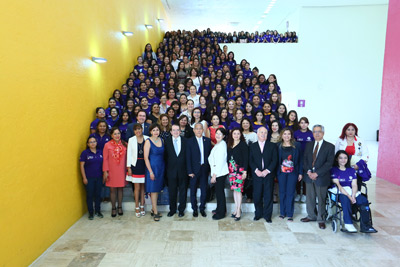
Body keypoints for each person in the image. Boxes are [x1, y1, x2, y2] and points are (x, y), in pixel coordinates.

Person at [330, 150, 377, 233]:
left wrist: (353, 195)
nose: (343, 160)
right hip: (339, 191)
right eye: (340, 158)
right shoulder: (334, 170)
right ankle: (348, 223)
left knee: (363, 200)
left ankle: (366, 225)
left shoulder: (351, 170)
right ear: (337, 159)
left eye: (345, 158)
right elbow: (339, 186)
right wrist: (349, 196)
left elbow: (354, 185)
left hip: (351, 191)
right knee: (345, 199)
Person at [301, 124, 335, 229]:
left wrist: (317, 173)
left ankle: (321, 219)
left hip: (321, 177)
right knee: (310, 198)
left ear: (323, 133)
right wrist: (309, 172)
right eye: (315, 132)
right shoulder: (309, 145)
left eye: (319, 131)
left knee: (321, 198)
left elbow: (329, 163)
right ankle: (311, 215)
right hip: (309, 176)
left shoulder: (330, 146)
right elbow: (305, 159)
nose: (317, 134)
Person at [249, 127, 278, 223]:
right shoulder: (252, 146)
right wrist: (256, 170)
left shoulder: (272, 145)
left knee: (268, 196)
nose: (263, 134)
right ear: (257, 133)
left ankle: (267, 215)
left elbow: (275, 160)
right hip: (256, 175)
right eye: (261, 132)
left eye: (265, 133)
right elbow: (251, 160)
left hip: (268, 175)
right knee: (257, 196)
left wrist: (267, 170)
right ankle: (258, 214)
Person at [276, 128, 303, 222]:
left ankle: (290, 214)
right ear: (281, 135)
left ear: (291, 135)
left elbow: (300, 160)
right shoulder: (278, 145)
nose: (286, 136)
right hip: (281, 173)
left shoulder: (297, 145)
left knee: (290, 193)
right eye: (284, 134)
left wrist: (300, 172)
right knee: (282, 193)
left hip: (293, 173)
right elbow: (276, 160)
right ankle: (282, 213)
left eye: (288, 134)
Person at [186, 123, 212, 217]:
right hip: (193, 170)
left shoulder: (207, 141)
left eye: (200, 128)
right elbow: (188, 157)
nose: (198, 130)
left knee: (204, 190)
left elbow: (209, 156)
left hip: (204, 169)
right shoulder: (189, 141)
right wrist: (189, 171)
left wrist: (209, 169)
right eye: (197, 129)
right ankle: (194, 209)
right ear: (194, 130)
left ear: (203, 130)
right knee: (193, 190)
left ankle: (202, 208)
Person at [334, 123, 369, 189]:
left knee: (356, 185)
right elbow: (336, 153)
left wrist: (358, 165)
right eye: (348, 129)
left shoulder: (360, 140)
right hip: (343, 166)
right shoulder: (340, 140)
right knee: (344, 185)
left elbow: (365, 154)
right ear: (345, 131)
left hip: (356, 166)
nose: (350, 132)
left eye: (353, 130)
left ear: (355, 131)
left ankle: (356, 196)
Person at [103, 127, 127, 217]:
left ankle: (120, 206)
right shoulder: (107, 145)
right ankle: (113, 207)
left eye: (118, 133)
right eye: (115, 134)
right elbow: (105, 159)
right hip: (111, 170)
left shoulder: (125, 144)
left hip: (121, 170)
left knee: (120, 189)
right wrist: (105, 171)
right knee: (112, 190)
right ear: (111, 135)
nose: (117, 135)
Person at [165, 125, 188, 217]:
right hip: (171, 171)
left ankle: (181, 210)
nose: (175, 132)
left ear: (180, 131)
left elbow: (188, 156)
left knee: (183, 191)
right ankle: (172, 210)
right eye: (173, 130)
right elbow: (165, 157)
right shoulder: (166, 142)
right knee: (172, 191)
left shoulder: (185, 141)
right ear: (170, 132)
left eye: (177, 130)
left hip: (183, 170)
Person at [144, 123, 165, 222]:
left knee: (157, 189)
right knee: (153, 190)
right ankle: (155, 211)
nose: (156, 132)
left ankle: (153, 208)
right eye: (154, 130)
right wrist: (150, 172)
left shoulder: (162, 140)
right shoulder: (148, 141)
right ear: (150, 131)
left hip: (161, 168)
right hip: (152, 169)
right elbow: (146, 158)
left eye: (157, 130)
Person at [127, 124, 148, 218]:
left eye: (139, 129)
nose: (137, 131)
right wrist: (128, 167)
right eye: (135, 130)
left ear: (142, 129)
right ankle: (136, 206)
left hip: (145, 165)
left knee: (143, 187)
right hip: (135, 165)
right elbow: (129, 154)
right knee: (137, 188)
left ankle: (142, 206)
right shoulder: (131, 139)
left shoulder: (147, 138)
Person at [79, 136, 104, 220]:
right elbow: (82, 166)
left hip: (99, 177)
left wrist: (104, 175)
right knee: (90, 195)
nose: (93, 143)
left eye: (94, 141)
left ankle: (98, 211)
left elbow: (103, 165)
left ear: (96, 143)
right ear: (88, 144)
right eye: (91, 142)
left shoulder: (100, 152)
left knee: (98, 195)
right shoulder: (85, 153)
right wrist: (84, 178)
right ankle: (91, 212)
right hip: (89, 178)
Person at [227, 128, 248, 221]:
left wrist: (245, 171)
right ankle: (236, 209)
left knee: (238, 190)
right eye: (234, 133)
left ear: (240, 135)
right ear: (232, 135)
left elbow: (246, 159)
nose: (236, 135)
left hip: (240, 171)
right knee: (235, 191)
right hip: (231, 171)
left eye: (238, 133)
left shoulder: (243, 145)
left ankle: (239, 211)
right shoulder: (230, 145)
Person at [208, 128, 229, 220]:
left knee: (220, 193)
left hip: (219, 173)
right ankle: (220, 208)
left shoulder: (222, 145)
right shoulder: (219, 144)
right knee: (218, 192)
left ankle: (221, 213)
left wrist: (214, 175)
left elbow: (220, 162)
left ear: (224, 136)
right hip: (218, 172)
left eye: (220, 134)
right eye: (217, 133)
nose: (218, 135)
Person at [294, 117, 314, 203]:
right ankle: (298, 194)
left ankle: (305, 194)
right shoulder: (295, 133)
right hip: (298, 156)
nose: (303, 124)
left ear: (308, 124)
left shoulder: (311, 134)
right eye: (301, 123)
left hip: (308, 157)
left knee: (306, 175)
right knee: (298, 175)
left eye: (305, 123)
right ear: (299, 124)